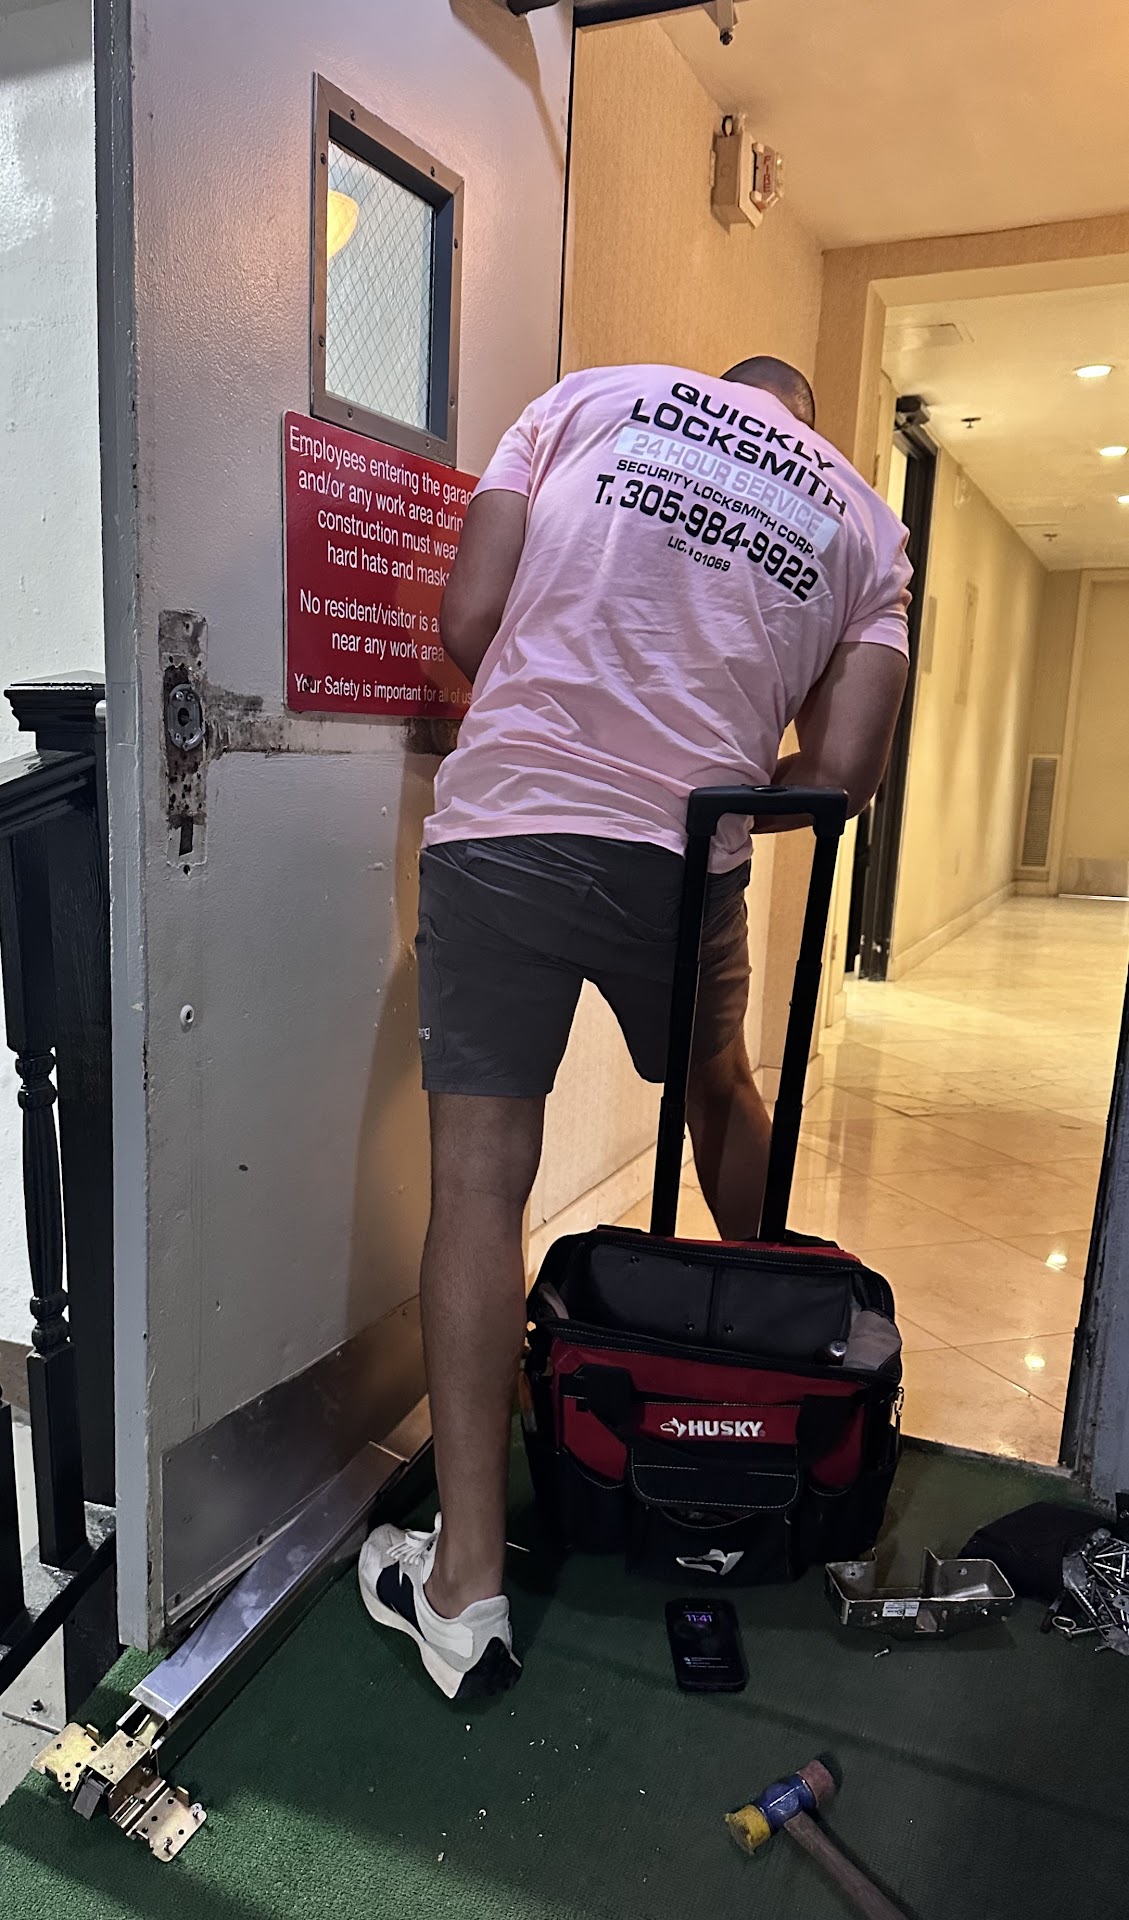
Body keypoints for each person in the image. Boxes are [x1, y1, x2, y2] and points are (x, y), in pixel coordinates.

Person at [358, 356, 911, 1699]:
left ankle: (465, 1584)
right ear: (801, 418)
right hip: (687, 853)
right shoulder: (865, 520)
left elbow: (471, 617)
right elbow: (840, 777)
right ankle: (775, 1381)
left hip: (509, 818)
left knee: (480, 1178)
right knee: (718, 1089)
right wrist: (717, 764)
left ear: (717, 390)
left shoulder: (581, 404)